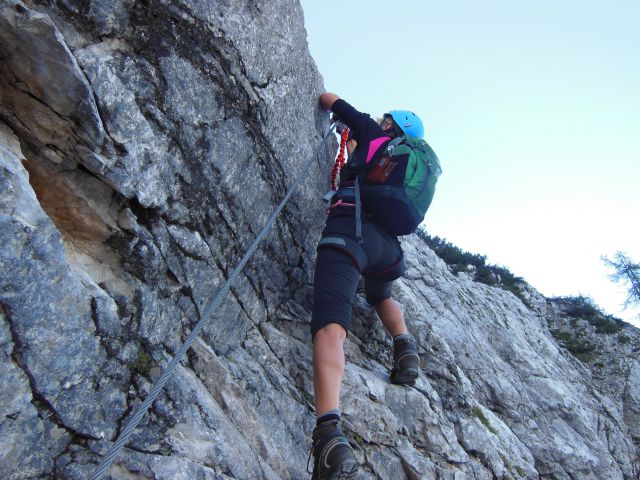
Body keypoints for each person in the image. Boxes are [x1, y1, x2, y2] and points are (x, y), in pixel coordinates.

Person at [309, 92, 424, 479]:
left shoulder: (373, 133)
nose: (380, 119)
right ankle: (404, 347)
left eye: (385, 118)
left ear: (392, 125)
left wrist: (342, 117)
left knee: (330, 323)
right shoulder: (403, 161)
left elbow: (330, 100)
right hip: (387, 250)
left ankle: (329, 437)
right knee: (380, 294)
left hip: (349, 231)